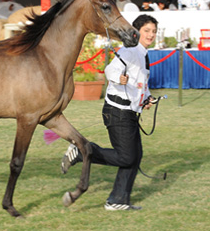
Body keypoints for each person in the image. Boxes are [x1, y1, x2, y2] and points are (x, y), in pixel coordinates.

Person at [61, 14, 158, 211]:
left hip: (129, 112)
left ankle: (118, 200)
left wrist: (146, 99)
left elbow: (141, 84)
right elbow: (110, 70)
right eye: (147, 30)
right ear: (137, 31)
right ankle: (82, 151)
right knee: (127, 157)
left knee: (135, 155)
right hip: (117, 111)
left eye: (154, 31)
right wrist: (118, 78)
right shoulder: (131, 51)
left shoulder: (143, 55)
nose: (151, 35)